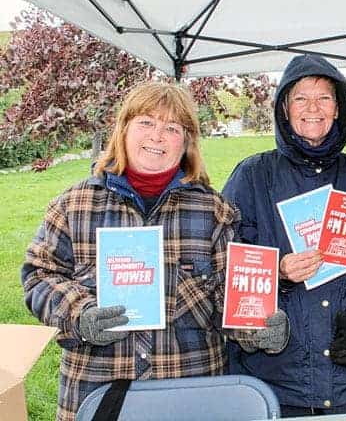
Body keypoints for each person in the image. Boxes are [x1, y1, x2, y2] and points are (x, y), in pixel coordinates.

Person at [21, 82, 289, 421]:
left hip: (192, 396)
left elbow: (231, 296)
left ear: (187, 142)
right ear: (124, 129)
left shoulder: (214, 212)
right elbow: (39, 277)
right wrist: (80, 314)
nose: (158, 136)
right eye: (146, 122)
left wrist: (257, 327)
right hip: (99, 394)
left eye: (172, 128)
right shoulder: (74, 206)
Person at [223, 54, 346, 417]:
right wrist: (278, 272)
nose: (313, 108)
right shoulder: (253, 176)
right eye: (300, 98)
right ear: (284, 109)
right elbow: (225, 264)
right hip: (278, 379)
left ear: (339, 108)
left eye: (324, 98)